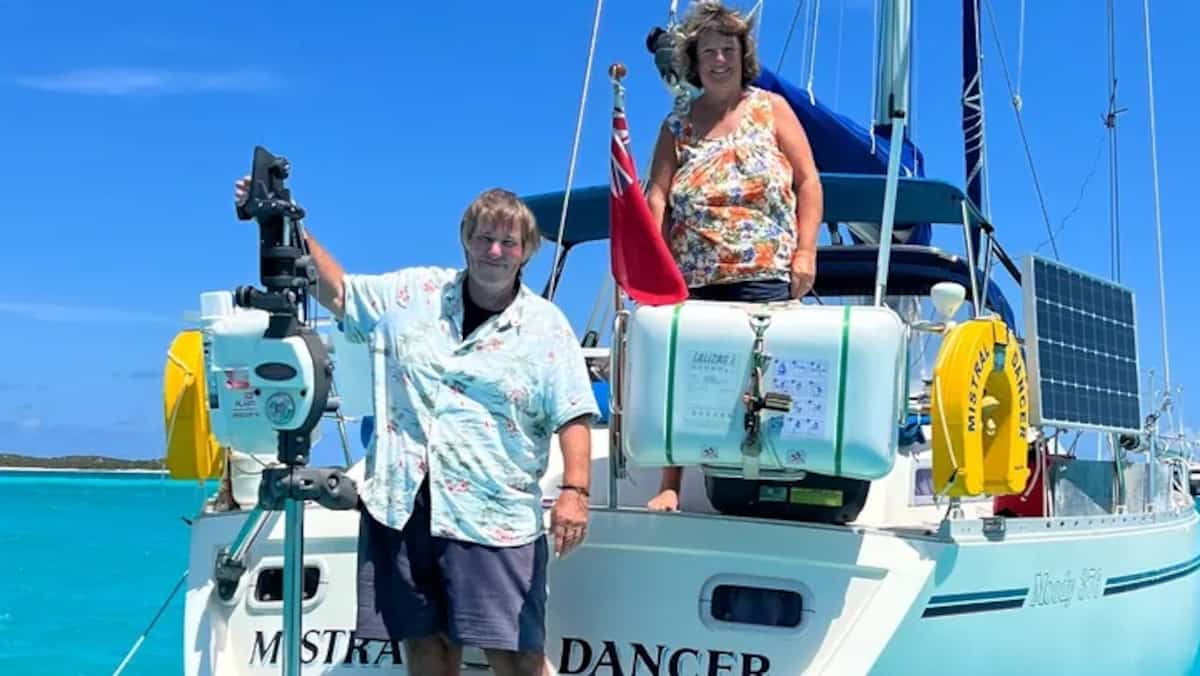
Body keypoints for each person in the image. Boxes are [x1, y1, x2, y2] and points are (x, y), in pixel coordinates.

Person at [233, 180, 599, 676]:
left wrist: (576, 490)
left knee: (517, 656)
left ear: (526, 252)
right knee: (426, 647)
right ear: (465, 239)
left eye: (508, 242)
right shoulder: (413, 293)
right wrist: (281, 221)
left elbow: (574, 413)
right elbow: (338, 291)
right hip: (402, 503)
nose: (494, 251)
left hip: (492, 512)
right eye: (483, 238)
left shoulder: (546, 325)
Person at [643, 1, 823, 512]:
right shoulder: (676, 124)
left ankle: (770, 478)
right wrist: (649, 263)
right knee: (687, 375)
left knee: (763, 377)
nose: (718, 60)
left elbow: (809, 181)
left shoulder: (771, 109)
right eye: (708, 53)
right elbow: (657, 196)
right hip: (693, 275)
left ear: (742, 56)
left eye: (727, 50)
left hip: (765, 271)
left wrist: (805, 251)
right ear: (694, 62)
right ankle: (671, 483)